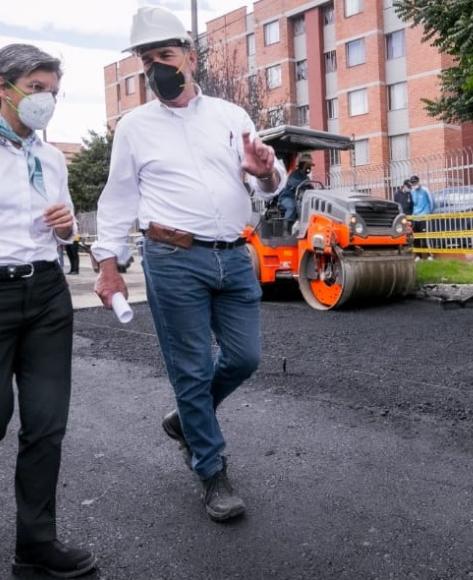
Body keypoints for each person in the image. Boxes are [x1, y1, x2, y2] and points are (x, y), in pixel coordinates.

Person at [92, 6, 287, 522]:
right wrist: (108, 264)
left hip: (234, 255)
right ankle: (210, 468)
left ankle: (185, 419)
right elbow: (116, 200)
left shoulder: (231, 116)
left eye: (166, 54)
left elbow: (268, 180)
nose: (156, 66)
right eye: (146, 58)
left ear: (190, 58)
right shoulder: (133, 127)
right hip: (172, 257)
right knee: (192, 369)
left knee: (244, 358)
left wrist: (266, 173)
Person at [0, 43, 97, 578]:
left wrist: (67, 229)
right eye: (36, 89)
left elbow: (63, 230)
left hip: (47, 294)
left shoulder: (51, 156)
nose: (46, 102)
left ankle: (35, 547)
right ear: (4, 87)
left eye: (53, 93)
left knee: (46, 424)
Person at [278, 152, 314, 222]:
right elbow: (294, 183)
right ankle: (287, 228)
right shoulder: (294, 174)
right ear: (302, 165)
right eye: (308, 165)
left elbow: (310, 187)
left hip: (300, 199)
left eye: (310, 165)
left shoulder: (306, 177)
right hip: (288, 197)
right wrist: (305, 184)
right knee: (292, 206)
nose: (309, 168)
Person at [409, 175, 434, 260]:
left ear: (418, 182)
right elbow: (412, 205)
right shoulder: (412, 192)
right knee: (416, 237)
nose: (414, 185)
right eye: (412, 183)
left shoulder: (425, 190)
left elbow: (432, 202)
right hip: (415, 217)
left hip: (424, 217)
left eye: (415, 183)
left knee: (425, 237)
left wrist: (429, 212)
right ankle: (418, 255)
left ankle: (429, 255)